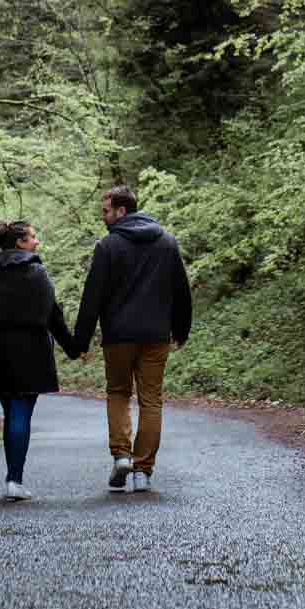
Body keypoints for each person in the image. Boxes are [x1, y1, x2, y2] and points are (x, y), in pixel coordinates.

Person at [72, 184, 192, 493]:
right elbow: (181, 290)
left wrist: (81, 341)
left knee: (118, 393)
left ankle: (122, 456)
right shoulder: (167, 242)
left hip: (119, 336)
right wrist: (181, 329)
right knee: (151, 400)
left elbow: (92, 299)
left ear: (121, 211)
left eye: (105, 211)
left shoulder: (108, 246)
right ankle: (143, 471)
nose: (103, 216)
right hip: (156, 335)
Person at [0, 219, 79, 501]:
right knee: (20, 414)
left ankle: (13, 477)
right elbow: (54, 316)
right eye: (33, 237)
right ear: (20, 243)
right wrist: (73, 349)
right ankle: (14, 479)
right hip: (32, 350)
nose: (37, 242)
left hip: (1, 350)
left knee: (12, 414)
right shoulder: (38, 273)